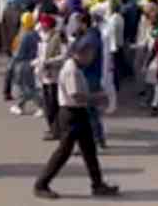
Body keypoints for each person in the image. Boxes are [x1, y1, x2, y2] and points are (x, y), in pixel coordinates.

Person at [33, 41, 120, 199]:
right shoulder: (71, 70)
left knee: (89, 150)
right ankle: (41, 184)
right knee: (63, 152)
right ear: (77, 53)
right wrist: (98, 98)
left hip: (78, 113)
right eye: (88, 54)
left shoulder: (76, 68)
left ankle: (98, 184)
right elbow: (76, 96)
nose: (90, 58)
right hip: (71, 114)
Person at [72, 12, 108, 148]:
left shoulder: (91, 39)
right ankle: (98, 138)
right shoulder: (88, 36)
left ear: (84, 24)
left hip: (89, 77)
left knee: (87, 111)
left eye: (78, 23)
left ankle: (92, 140)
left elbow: (84, 58)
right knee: (90, 111)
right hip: (89, 76)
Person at [33, 14, 67, 141]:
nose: (42, 26)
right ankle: (52, 128)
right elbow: (41, 54)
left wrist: (49, 61)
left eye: (44, 24)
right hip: (44, 76)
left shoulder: (58, 37)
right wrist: (37, 61)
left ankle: (56, 130)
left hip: (55, 76)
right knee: (47, 105)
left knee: (54, 105)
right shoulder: (43, 37)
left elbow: (64, 55)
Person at [9, 12, 42, 116]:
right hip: (33, 62)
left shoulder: (23, 35)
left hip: (23, 64)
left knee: (27, 87)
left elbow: (17, 53)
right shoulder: (36, 34)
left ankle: (41, 106)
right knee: (27, 87)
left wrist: (12, 63)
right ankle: (20, 105)